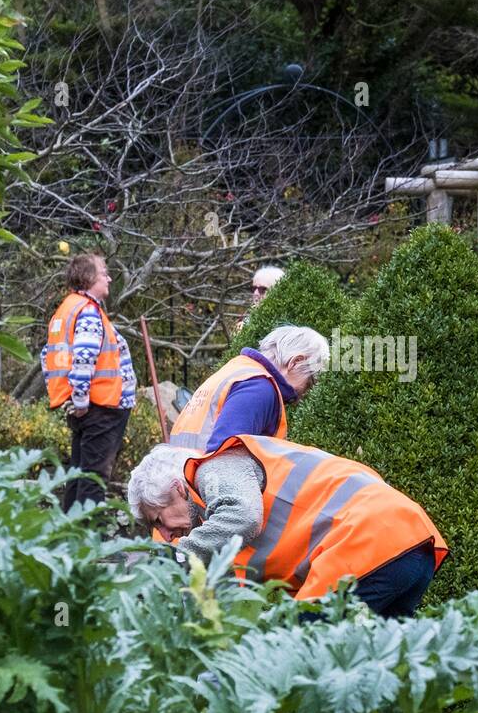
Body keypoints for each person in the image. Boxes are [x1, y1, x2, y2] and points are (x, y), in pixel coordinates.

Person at [128, 433, 448, 616]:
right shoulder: (217, 522)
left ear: (176, 489)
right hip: (411, 546)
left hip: (367, 547)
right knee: (373, 674)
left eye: (159, 519)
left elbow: (243, 517)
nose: (166, 534)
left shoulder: (216, 469)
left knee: (301, 653)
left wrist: (177, 557)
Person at [42, 252, 136, 511]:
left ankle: (67, 535)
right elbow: (84, 359)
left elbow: (46, 356)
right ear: (88, 278)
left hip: (87, 407)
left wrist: (72, 399)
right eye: (104, 272)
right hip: (101, 408)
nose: (109, 277)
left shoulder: (66, 310)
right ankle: (87, 541)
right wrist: (81, 400)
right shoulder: (88, 313)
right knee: (94, 477)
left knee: (79, 473)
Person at [168, 325, 329, 453]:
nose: (306, 392)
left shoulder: (237, 371)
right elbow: (225, 459)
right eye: (310, 382)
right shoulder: (259, 389)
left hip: (181, 480)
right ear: (295, 362)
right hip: (201, 489)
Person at [234, 264, 285, 333]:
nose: (256, 293)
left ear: (278, 291)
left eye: (263, 289)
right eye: (254, 288)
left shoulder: (286, 322)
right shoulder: (245, 322)